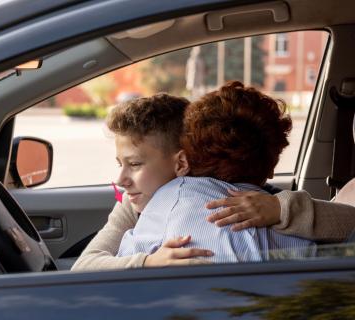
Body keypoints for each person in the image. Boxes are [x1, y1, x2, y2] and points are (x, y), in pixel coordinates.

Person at [71, 86, 355, 271]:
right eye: (120, 164)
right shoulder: (131, 206)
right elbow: (86, 265)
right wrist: (146, 262)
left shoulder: (256, 201)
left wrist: (281, 209)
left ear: (184, 161)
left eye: (134, 164)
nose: (121, 179)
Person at [115, 81, 314, 263]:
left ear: (189, 156)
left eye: (134, 164)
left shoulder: (169, 200)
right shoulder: (297, 227)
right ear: (271, 168)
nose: (121, 179)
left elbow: (114, 275)